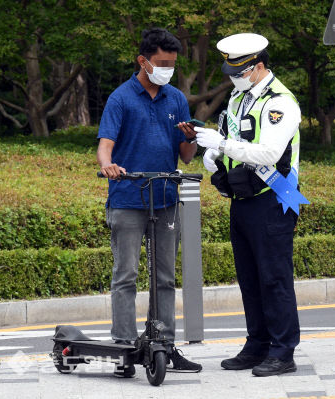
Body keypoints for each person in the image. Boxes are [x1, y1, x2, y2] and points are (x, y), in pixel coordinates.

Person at [190, 33, 303, 377]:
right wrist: (215, 155)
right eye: (231, 71)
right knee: (250, 279)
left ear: (259, 67)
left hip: (274, 198)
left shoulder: (279, 103)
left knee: (274, 278)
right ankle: (257, 345)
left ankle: (283, 351)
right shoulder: (239, 99)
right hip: (243, 199)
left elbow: (268, 152)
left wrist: (222, 144)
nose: (234, 77)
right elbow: (238, 140)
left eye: (240, 71)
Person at [96, 27, 202, 376]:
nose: (168, 68)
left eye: (172, 63)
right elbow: (106, 143)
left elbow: (186, 157)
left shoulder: (176, 99)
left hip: (166, 198)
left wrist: (191, 139)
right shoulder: (121, 98)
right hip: (127, 197)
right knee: (126, 275)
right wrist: (107, 166)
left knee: (165, 277)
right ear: (143, 61)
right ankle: (124, 348)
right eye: (161, 62)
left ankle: (164, 344)